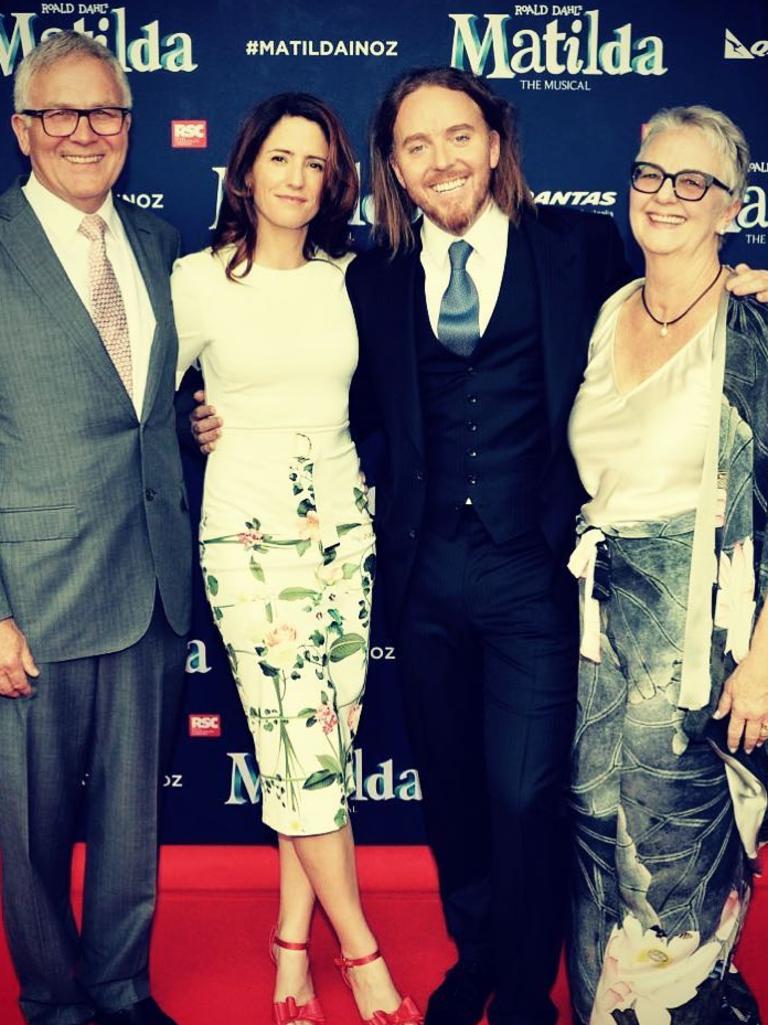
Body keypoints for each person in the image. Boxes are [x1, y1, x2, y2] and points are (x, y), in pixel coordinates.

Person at [191, 70, 768, 1025]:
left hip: (534, 574)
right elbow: (321, 392)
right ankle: (479, 963)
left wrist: (752, 284)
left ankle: (532, 984)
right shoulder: (369, 279)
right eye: (416, 146)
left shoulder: (578, 248)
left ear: (496, 145)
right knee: (454, 792)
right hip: (422, 579)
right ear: (395, 169)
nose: (441, 160)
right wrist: (201, 419)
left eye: (458, 136)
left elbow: (684, 294)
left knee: (524, 792)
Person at [172, 93, 421, 1025]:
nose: (297, 179)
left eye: (315, 164)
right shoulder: (196, 280)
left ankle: (288, 944)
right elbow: (143, 404)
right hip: (245, 537)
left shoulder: (347, 278)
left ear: (334, 182)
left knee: (309, 755)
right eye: (281, 158)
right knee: (304, 752)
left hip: (342, 536)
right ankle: (359, 952)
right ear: (244, 169)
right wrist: (192, 426)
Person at [0, 30, 191, 1025]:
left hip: (149, 572)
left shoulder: (157, 248)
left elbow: (146, 404)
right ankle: (53, 996)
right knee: (27, 824)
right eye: (62, 113)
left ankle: (120, 985)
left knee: (130, 815)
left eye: (105, 112)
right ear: (23, 128)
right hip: (31, 591)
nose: (87, 132)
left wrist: (193, 418)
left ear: (128, 125)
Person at [567, 105, 768, 1025]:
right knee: (595, 837)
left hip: (703, 633)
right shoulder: (609, 309)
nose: (667, 196)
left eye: (695, 182)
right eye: (652, 174)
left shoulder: (753, 330)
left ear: (731, 206)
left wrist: (764, 656)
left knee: (672, 856)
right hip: (601, 620)